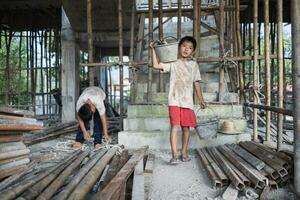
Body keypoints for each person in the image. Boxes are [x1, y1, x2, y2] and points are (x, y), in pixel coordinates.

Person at [150, 36, 207, 164]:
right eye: (184, 46)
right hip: (174, 100)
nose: (187, 49)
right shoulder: (173, 63)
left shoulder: (193, 65)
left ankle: (184, 153)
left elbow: (196, 83)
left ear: (193, 51)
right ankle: (175, 155)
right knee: (175, 127)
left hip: (187, 102)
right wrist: (153, 49)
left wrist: (201, 99)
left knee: (186, 128)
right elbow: (155, 65)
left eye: (190, 48)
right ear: (179, 47)